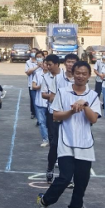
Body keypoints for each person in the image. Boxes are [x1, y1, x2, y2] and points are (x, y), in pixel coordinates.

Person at [34, 60, 101, 208]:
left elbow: (93, 119)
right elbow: (56, 116)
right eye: (77, 72)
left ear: (88, 76)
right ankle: (44, 202)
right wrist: (72, 110)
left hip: (85, 143)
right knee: (64, 178)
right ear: (73, 73)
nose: (80, 76)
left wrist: (84, 105)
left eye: (84, 73)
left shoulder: (92, 96)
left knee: (81, 181)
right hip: (66, 142)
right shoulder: (63, 93)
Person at [40, 54, 71, 182]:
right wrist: (62, 99)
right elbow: (50, 97)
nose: (70, 64)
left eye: (73, 62)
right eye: (68, 62)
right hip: (55, 114)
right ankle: (50, 167)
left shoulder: (78, 79)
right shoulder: (57, 79)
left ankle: (68, 175)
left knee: (70, 145)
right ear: (64, 63)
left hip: (71, 116)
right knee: (55, 144)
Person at [25, 52, 41, 120]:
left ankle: (39, 117)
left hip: (42, 86)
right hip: (33, 85)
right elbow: (28, 72)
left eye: (40, 56)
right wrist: (37, 66)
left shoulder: (45, 64)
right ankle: (36, 115)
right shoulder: (28, 62)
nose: (39, 58)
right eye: (38, 56)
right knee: (34, 101)